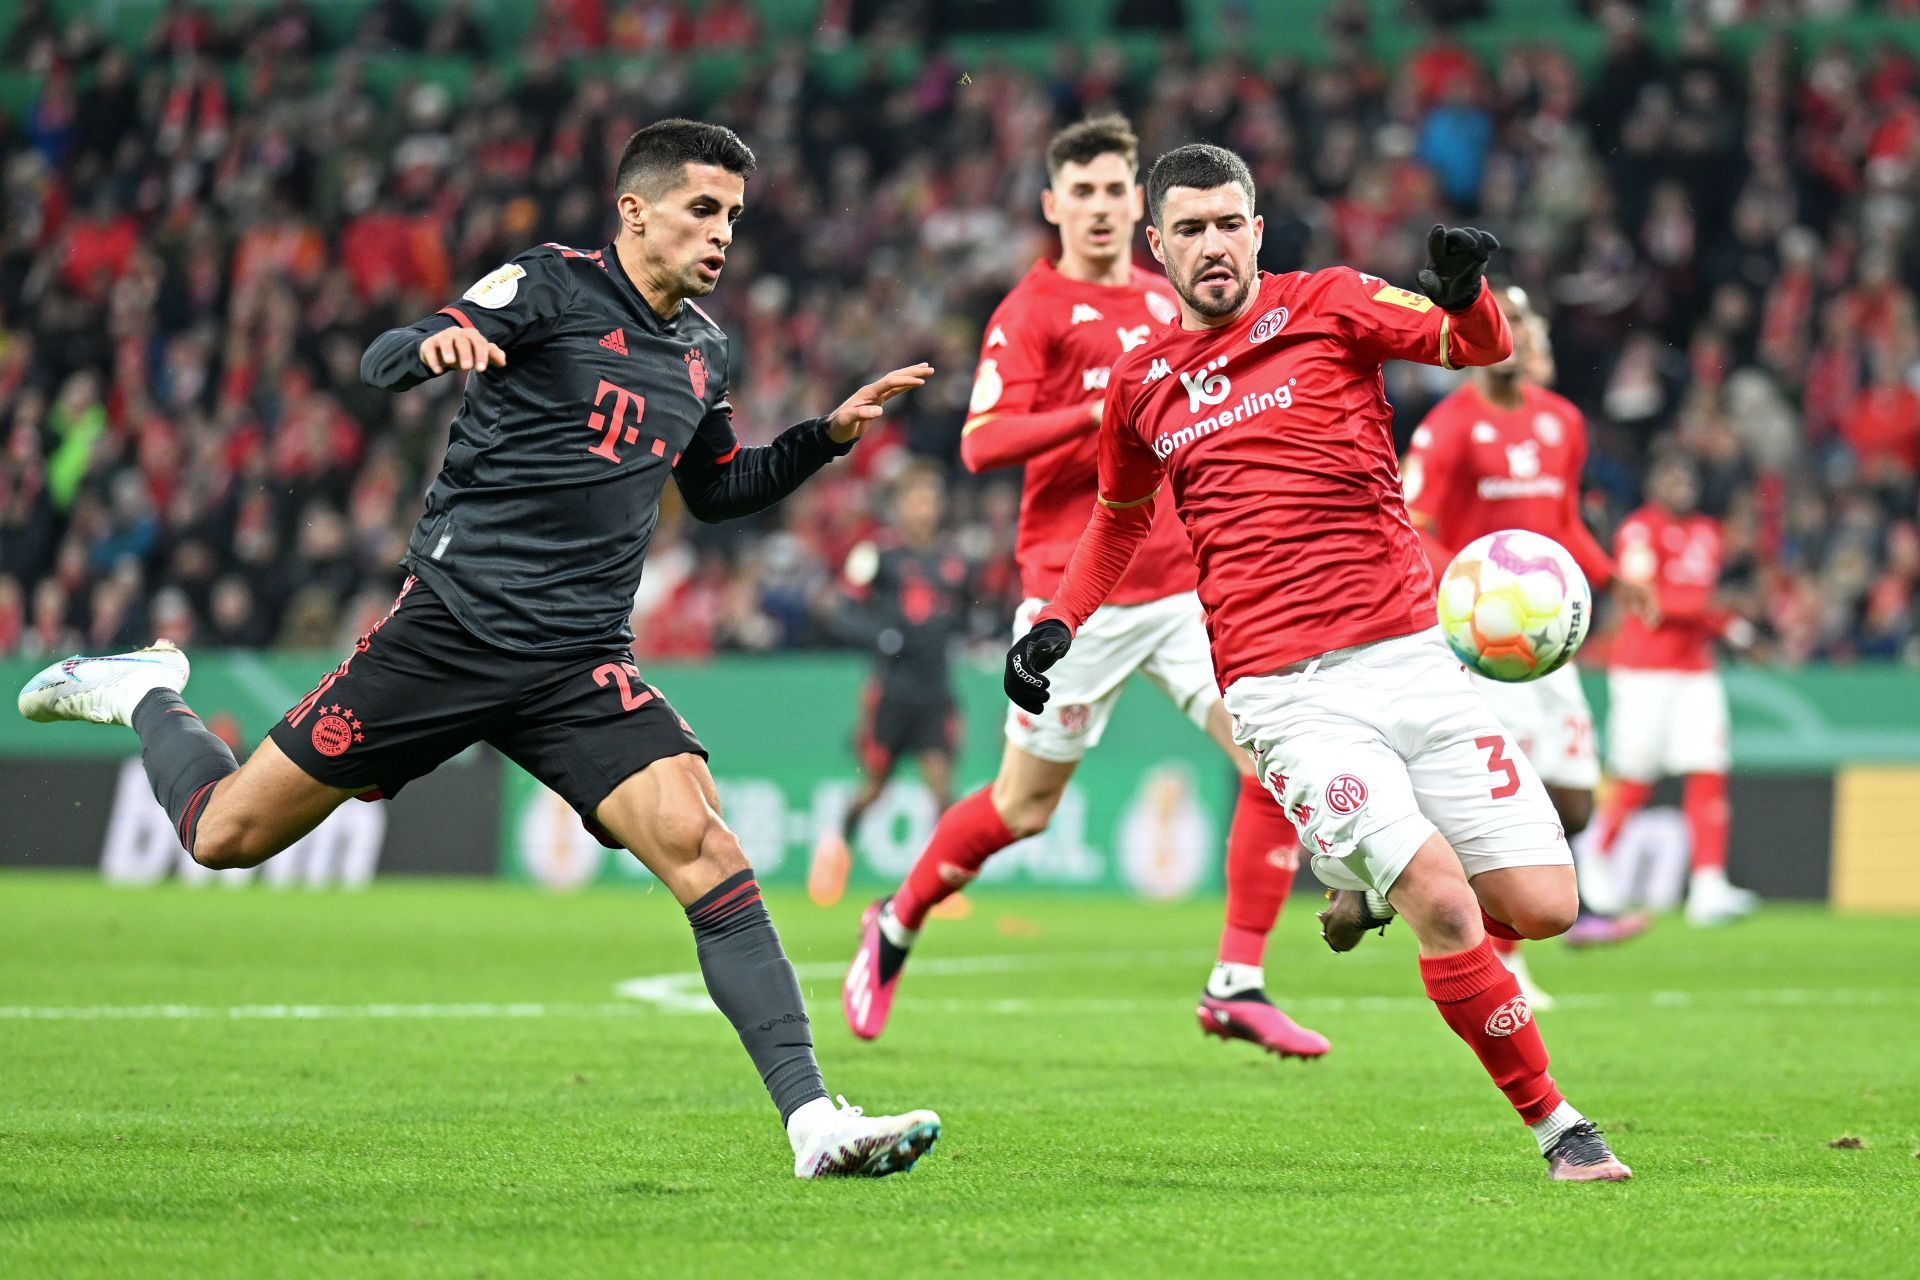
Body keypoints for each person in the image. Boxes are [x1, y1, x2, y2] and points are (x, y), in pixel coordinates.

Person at [19, 119, 942, 1181]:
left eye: (734, 214)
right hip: (451, 629)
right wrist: (435, 346)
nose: (723, 232)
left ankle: (813, 1119)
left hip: (576, 659)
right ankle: (146, 692)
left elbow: (719, 487)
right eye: (702, 208)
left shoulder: (703, 349)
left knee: (707, 847)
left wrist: (822, 439)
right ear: (634, 209)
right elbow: (383, 355)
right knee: (223, 835)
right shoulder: (551, 283)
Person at [1004, 142, 1631, 1181]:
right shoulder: (1143, 385)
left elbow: (1468, 346)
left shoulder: (1332, 303)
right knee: (1444, 893)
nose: (1212, 244)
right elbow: (1116, 520)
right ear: (1157, 248)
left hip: (1414, 656)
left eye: (1228, 223)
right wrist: (1060, 620)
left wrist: (1468, 291)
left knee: (1545, 906)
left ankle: (1359, 875)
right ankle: (1560, 1126)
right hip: (1284, 691)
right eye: (1189, 229)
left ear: (1256, 229)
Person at [842, 117, 1323, 1061]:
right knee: (1023, 809)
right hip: (1079, 595)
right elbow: (982, 442)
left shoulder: (1168, 297)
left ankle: (1237, 981)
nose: (1102, 208)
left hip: (1190, 586)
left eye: (1117, 192)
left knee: (1276, 757)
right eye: (1086, 192)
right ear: (1053, 204)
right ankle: (895, 920)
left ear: (1140, 210)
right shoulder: (1032, 311)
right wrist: (1099, 406)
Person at [1401, 285, 1652, 1008]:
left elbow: (1565, 521)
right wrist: (1478, 584)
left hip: (1546, 642)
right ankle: (1499, 956)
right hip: (1479, 642)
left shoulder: (1562, 422)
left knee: (1572, 803)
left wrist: (1612, 578)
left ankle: (1500, 916)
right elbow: (1414, 526)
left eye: (1523, 325)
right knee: (1503, 800)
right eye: (1499, 325)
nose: (1513, 337)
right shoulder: (1448, 428)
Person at [1587, 451, 1758, 926]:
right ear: (1654, 485)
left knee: (1708, 769)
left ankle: (1708, 886)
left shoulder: (1707, 532)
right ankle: (1595, 861)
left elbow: (1700, 603)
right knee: (1634, 775)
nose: (1683, 484)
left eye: (1688, 476)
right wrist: (1717, 610)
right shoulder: (1640, 530)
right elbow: (1648, 600)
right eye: (1672, 475)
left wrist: (1728, 626)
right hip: (1645, 671)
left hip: (1695, 670)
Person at [810, 461, 971, 899]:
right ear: (901, 506)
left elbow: (964, 618)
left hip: (936, 690)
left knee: (942, 789)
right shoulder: (878, 555)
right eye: (917, 499)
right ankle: (835, 850)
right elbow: (837, 609)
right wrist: (877, 636)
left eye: (932, 500)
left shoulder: (952, 563)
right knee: (875, 787)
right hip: (893, 691)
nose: (926, 508)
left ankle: (940, 886)